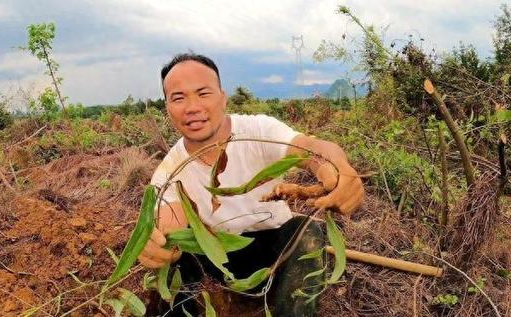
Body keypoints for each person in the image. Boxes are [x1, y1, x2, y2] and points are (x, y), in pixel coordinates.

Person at [139, 53, 364, 316]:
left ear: (223, 98)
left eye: (203, 93)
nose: (192, 107)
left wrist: (336, 167)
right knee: (176, 262)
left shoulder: (259, 132)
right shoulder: (169, 171)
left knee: (307, 232)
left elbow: (311, 149)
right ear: (167, 107)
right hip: (215, 257)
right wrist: (156, 243)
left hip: (272, 250)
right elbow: (169, 222)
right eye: (179, 98)